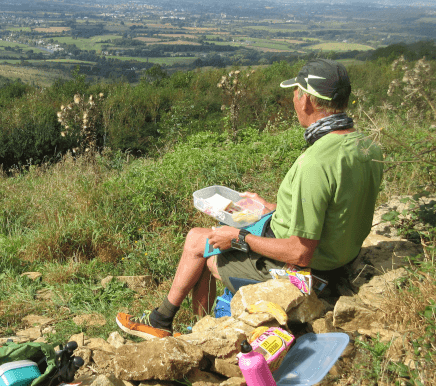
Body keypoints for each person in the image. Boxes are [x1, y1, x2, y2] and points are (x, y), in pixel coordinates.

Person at [116, 59, 384, 339]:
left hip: (308, 273)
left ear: (306, 100)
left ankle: (196, 333)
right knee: (198, 236)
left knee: (204, 250)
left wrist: (238, 239)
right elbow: (335, 208)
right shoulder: (366, 146)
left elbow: (300, 252)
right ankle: (167, 320)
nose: (293, 99)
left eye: (295, 92)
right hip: (337, 259)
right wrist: (272, 208)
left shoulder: (315, 163)